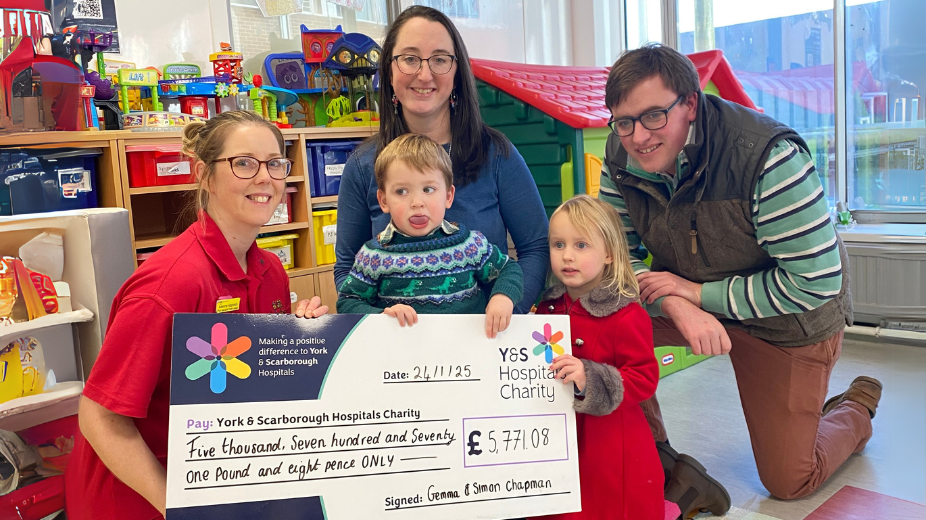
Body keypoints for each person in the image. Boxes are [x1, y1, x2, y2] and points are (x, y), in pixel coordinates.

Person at [599, 43, 881, 511]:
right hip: (687, 296)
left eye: (653, 116)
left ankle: (854, 409)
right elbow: (615, 263)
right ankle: (656, 460)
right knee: (598, 322)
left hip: (789, 318)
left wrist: (698, 294)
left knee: (789, 480)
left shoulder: (769, 157)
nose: (638, 136)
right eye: (623, 122)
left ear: (691, 104)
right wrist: (675, 303)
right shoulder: (618, 155)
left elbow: (814, 282)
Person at [64, 111, 327, 520]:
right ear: (205, 175)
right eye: (244, 163)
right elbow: (100, 416)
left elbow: (246, 376)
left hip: (212, 481)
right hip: (140, 499)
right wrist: (177, 507)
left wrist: (296, 337)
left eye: (275, 163)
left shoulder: (269, 271)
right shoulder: (170, 285)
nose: (265, 178)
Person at [335, 5, 548, 315]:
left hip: (487, 336)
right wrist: (379, 324)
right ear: (389, 71)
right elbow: (347, 269)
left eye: (439, 59)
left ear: (457, 72)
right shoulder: (362, 164)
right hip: (397, 341)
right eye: (409, 58)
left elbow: (536, 248)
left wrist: (505, 315)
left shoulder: (496, 154)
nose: (424, 74)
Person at [532, 195, 663, 520]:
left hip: (607, 443)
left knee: (601, 506)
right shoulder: (546, 307)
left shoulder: (626, 314)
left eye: (581, 245)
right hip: (554, 433)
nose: (567, 255)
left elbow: (644, 378)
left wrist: (590, 377)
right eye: (558, 244)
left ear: (609, 253)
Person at [337, 133, 522, 339]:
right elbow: (348, 302)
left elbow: (508, 269)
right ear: (383, 200)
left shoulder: (469, 245)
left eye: (428, 189)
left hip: (469, 350)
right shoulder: (373, 256)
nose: (417, 202)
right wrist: (381, 317)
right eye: (401, 191)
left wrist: (502, 296)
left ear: (448, 196)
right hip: (404, 354)